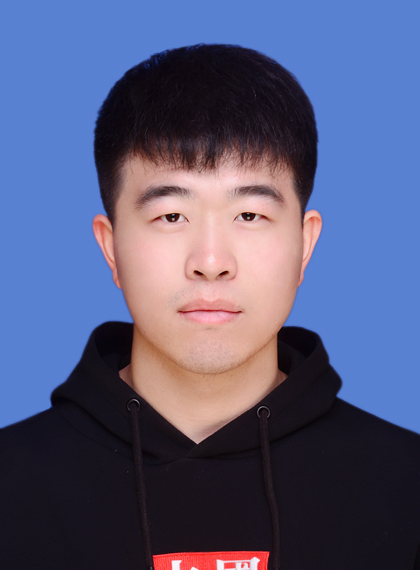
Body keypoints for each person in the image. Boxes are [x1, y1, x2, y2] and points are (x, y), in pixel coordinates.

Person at [1, 44, 419, 570]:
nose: (211, 262)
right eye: (172, 216)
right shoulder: (12, 485)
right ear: (111, 248)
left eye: (249, 215)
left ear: (305, 244)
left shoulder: (406, 484)